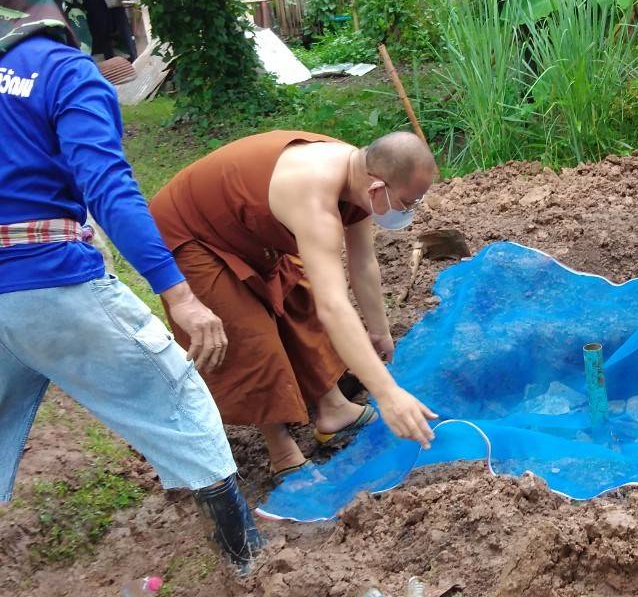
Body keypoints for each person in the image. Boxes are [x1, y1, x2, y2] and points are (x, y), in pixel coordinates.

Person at [0, 0, 264, 570]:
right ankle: (249, 565)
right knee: (179, 398)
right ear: (66, 17)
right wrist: (179, 293)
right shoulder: (66, 72)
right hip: (49, 282)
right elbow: (109, 187)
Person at [149, 130, 439, 479]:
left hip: (243, 226)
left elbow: (362, 263)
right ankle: (282, 451)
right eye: (408, 203)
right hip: (189, 230)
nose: (409, 211)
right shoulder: (316, 199)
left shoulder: (360, 174)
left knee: (299, 298)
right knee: (248, 333)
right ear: (377, 189)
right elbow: (334, 307)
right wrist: (388, 394)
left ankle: (334, 409)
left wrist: (379, 331)